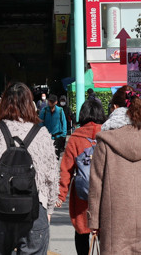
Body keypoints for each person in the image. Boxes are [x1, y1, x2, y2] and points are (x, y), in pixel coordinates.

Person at [0, 81, 60, 255]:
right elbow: (52, 177)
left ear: (4, 104)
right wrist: (49, 209)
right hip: (34, 213)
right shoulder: (42, 134)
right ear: (29, 104)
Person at [87, 86, 141, 254]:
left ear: (114, 108)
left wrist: (94, 222)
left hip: (114, 221)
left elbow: (96, 184)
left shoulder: (105, 141)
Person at [56, 99, 106, 255]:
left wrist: (60, 195)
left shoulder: (75, 139)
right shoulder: (108, 135)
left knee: (81, 232)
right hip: (106, 194)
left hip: (82, 196)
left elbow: (66, 170)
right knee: (106, 235)